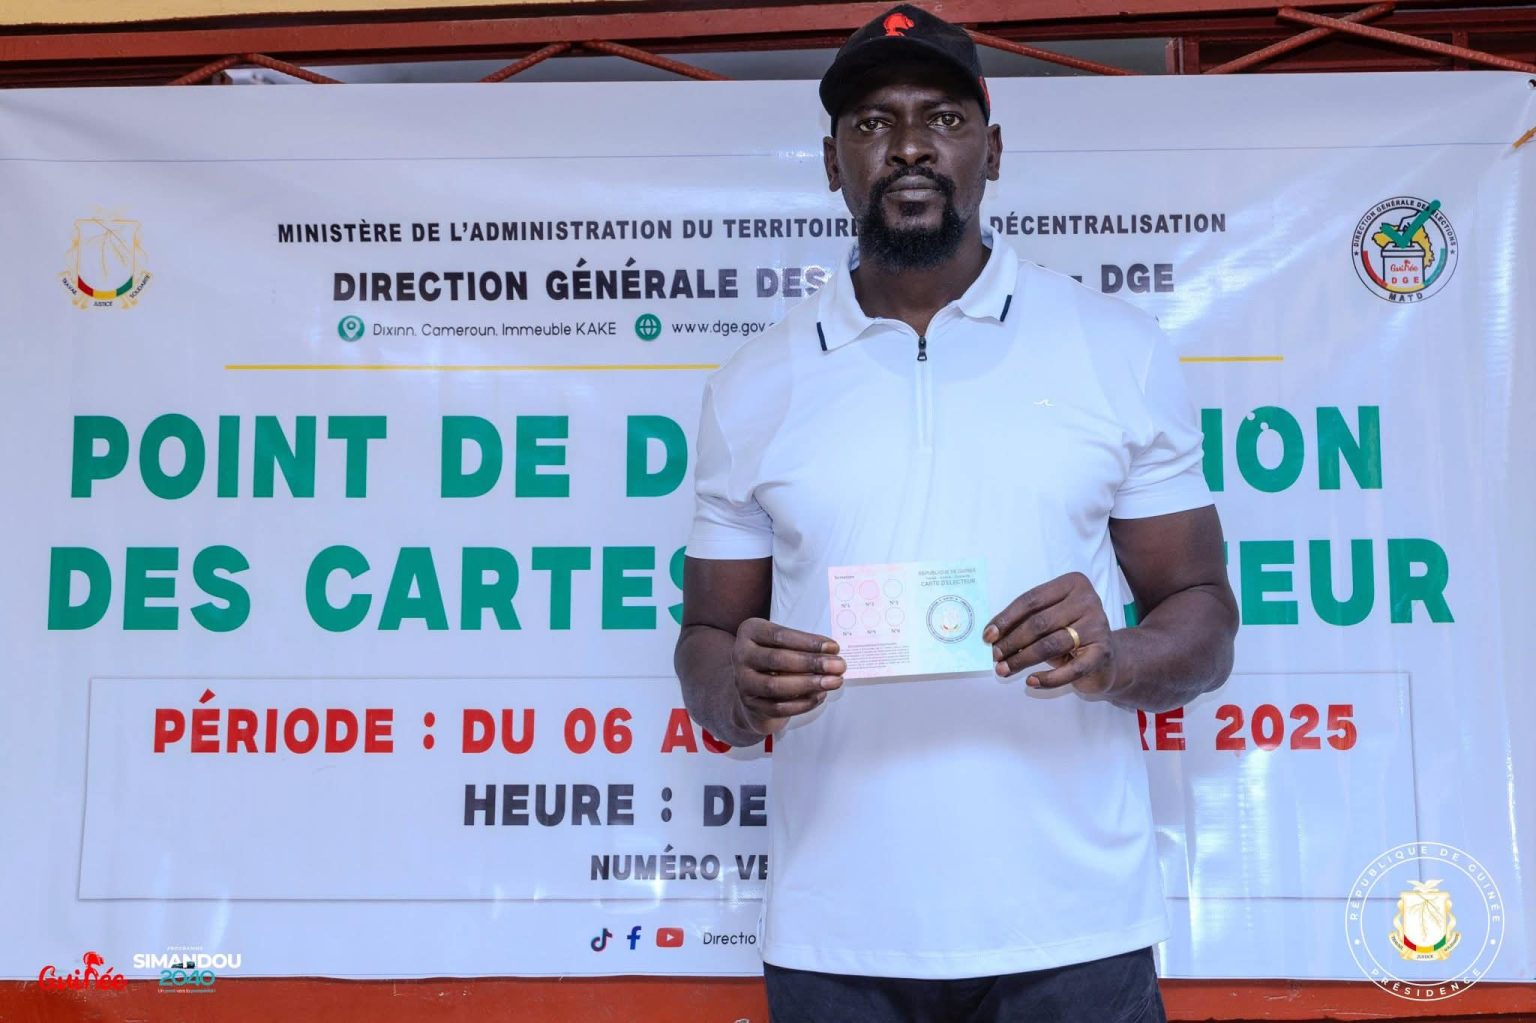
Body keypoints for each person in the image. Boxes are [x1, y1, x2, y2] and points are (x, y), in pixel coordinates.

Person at [673, 5, 1239, 1020]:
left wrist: (1114, 656)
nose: (908, 147)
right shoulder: (752, 383)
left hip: (1074, 929)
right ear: (832, 163)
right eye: (871, 123)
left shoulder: (1115, 348)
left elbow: (1203, 613)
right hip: (837, 935)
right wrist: (738, 692)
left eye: (943, 118)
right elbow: (707, 641)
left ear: (993, 151)